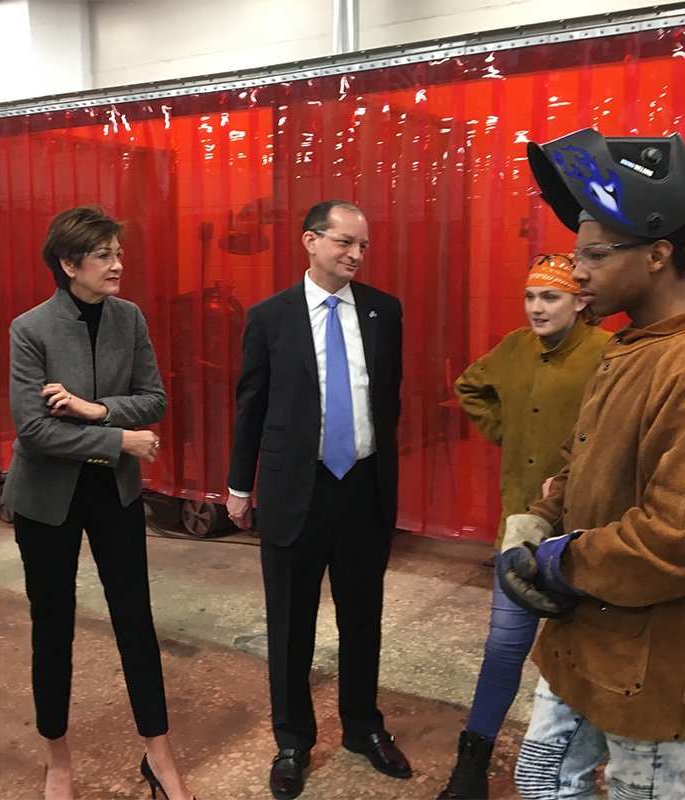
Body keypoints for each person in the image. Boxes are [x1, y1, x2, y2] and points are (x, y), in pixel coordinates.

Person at [498, 129, 685, 799]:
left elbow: (684, 538)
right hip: (589, 641)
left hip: (659, 668)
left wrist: (562, 560)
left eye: (593, 254)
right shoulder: (629, 349)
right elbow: (582, 460)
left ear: (657, 255)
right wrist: (537, 519)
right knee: (541, 782)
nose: (578, 272)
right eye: (575, 254)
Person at [2, 207, 194, 800]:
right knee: (52, 628)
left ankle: (159, 757)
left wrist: (93, 410)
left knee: (136, 622)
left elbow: (154, 399)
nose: (118, 265)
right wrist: (120, 438)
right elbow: (34, 430)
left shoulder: (129, 319)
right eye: (105, 255)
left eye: (118, 253)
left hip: (114, 493)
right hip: (47, 501)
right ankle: (57, 759)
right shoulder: (29, 329)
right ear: (69, 264)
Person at [226, 200, 410, 799]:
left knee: (363, 618)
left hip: (362, 488)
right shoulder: (270, 317)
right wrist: (238, 485)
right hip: (292, 490)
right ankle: (293, 741)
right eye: (343, 242)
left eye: (362, 246)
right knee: (290, 623)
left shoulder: (385, 311)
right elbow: (250, 405)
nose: (355, 255)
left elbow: (389, 399)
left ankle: (362, 725)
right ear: (310, 241)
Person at [436, 254, 610, 799]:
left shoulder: (609, 355)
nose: (537, 307)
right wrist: (507, 433)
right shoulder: (513, 348)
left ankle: (573, 772)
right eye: (531, 296)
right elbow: (470, 387)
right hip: (520, 532)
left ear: (581, 302)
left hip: (585, 537)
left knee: (588, 657)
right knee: (504, 649)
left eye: (551, 297)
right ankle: (471, 765)